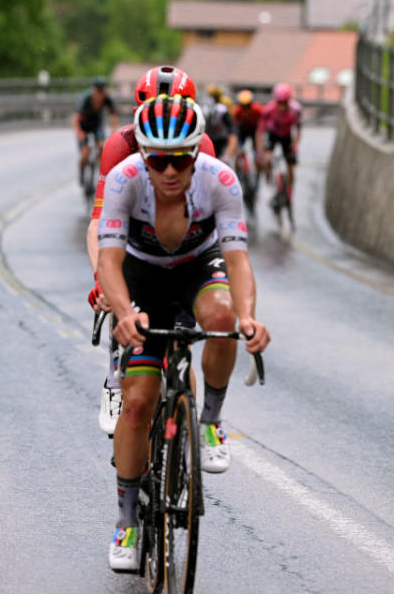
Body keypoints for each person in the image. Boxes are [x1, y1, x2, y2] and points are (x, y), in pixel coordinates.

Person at [97, 95, 270, 571]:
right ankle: (128, 519)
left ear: (198, 153)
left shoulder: (221, 180)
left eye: (181, 160)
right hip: (143, 276)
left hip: (198, 266)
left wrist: (249, 316)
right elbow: (109, 261)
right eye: (158, 160)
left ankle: (210, 420)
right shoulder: (124, 180)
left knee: (222, 319)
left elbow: (237, 260)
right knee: (136, 405)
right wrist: (123, 312)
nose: (170, 172)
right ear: (142, 157)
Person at [85, 66, 216, 437]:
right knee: (120, 288)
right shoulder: (120, 145)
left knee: (180, 339)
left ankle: (186, 424)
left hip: (179, 238)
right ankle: (114, 377)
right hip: (132, 235)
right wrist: (102, 280)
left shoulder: (202, 145)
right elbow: (99, 223)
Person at [256, 82, 302, 203]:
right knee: (266, 159)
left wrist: (295, 144)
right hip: (273, 135)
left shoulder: (295, 110)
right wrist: (260, 150)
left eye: (285, 103)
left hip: (287, 136)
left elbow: (298, 130)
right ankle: (269, 180)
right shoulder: (268, 110)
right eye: (280, 103)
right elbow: (260, 131)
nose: (282, 106)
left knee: (290, 165)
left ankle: (289, 191)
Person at [72, 77, 119, 184]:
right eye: (98, 91)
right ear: (93, 90)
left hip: (96, 126)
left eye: (102, 91)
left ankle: (97, 165)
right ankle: (82, 173)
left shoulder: (107, 99)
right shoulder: (85, 99)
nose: (100, 95)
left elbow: (114, 117)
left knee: (102, 146)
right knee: (85, 153)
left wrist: (113, 132)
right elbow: (75, 119)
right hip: (83, 126)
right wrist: (79, 133)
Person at [202, 83, 238, 162]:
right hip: (210, 138)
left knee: (223, 160)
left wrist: (228, 153)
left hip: (221, 139)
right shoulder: (204, 107)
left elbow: (232, 131)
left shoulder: (222, 109)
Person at [232, 89, 262, 157]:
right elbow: (234, 123)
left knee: (257, 149)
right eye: (243, 106)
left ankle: (257, 158)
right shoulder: (237, 111)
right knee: (238, 149)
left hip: (254, 129)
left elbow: (262, 121)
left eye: (248, 106)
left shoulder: (257, 109)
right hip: (242, 129)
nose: (246, 109)